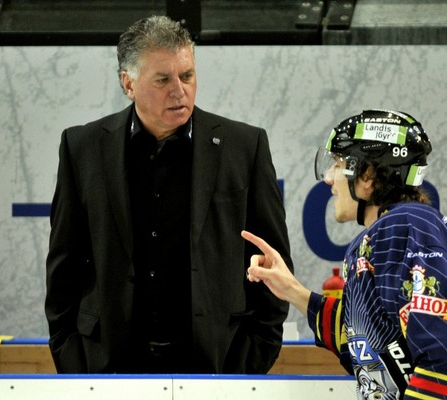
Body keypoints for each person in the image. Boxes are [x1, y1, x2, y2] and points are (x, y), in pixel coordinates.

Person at [45, 15, 293, 374]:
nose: (179, 91)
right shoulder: (82, 147)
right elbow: (63, 267)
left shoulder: (245, 146)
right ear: (128, 83)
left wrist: (251, 360)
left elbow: (272, 260)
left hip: (219, 363)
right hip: (107, 365)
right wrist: (72, 357)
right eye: (162, 80)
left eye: (187, 76)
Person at [242, 109, 447, 399]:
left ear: (366, 175)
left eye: (337, 164)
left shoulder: (404, 225)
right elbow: (367, 342)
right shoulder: (392, 231)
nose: (328, 178)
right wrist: (292, 290)